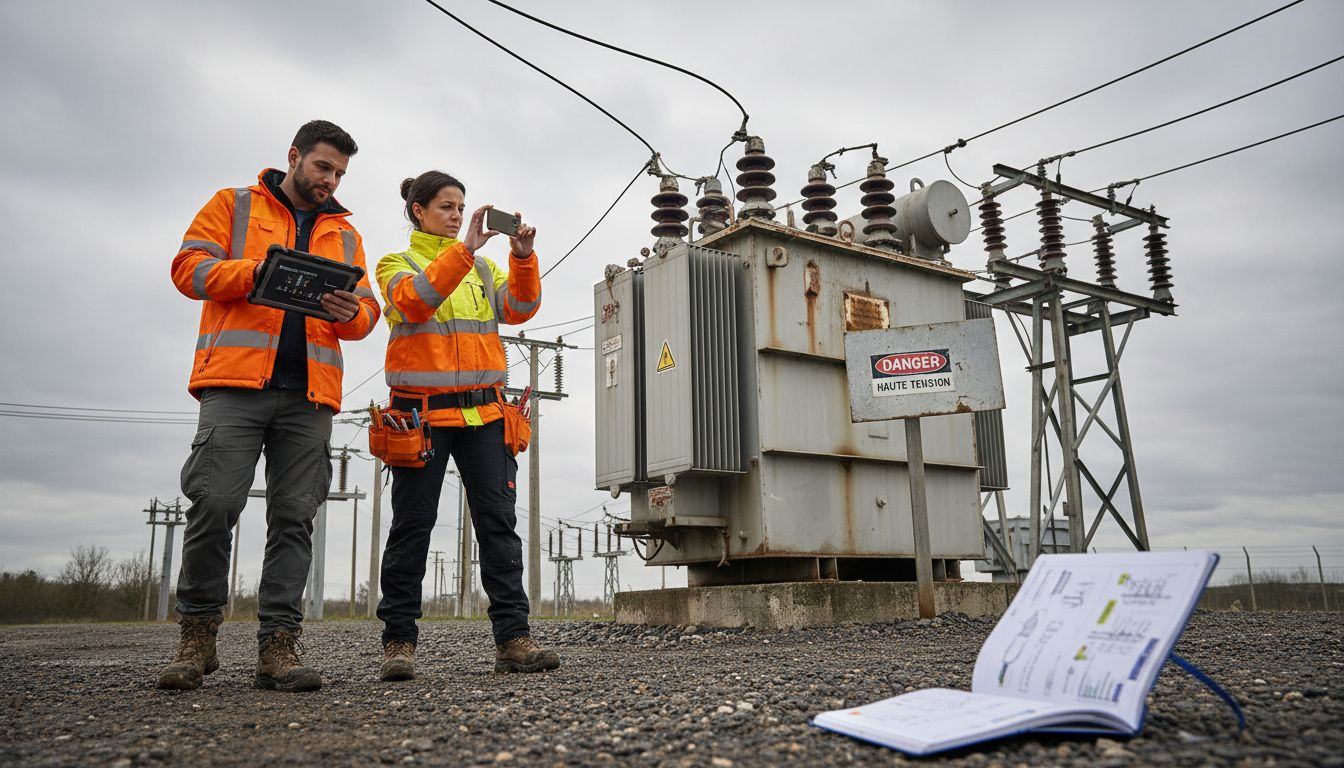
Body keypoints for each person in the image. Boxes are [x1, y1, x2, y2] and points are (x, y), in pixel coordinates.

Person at [159, 120, 381, 692]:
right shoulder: (232, 206)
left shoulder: (347, 235)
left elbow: (367, 314)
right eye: (322, 167)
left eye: (339, 173)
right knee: (214, 504)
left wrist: (345, 312)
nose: (330, 180)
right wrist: (256, 271)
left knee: (294, 519)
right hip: (234, 386)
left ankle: (278, 648)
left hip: (310, 396)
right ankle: (197, 637)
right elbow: (188, 270)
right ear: (294, 157)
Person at [374, 170, 558, 680]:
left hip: (484, 416)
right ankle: (398, 644)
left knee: (499, 527)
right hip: (423, 417)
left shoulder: (482, 269)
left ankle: (514, 640)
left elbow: (520, 308)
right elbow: (414, 300)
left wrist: (521, 257)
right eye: (447, 208)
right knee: (412, 527)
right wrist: (464, 252)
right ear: (418, 211)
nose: (457, 216)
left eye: (461, 207)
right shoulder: (396, 263)